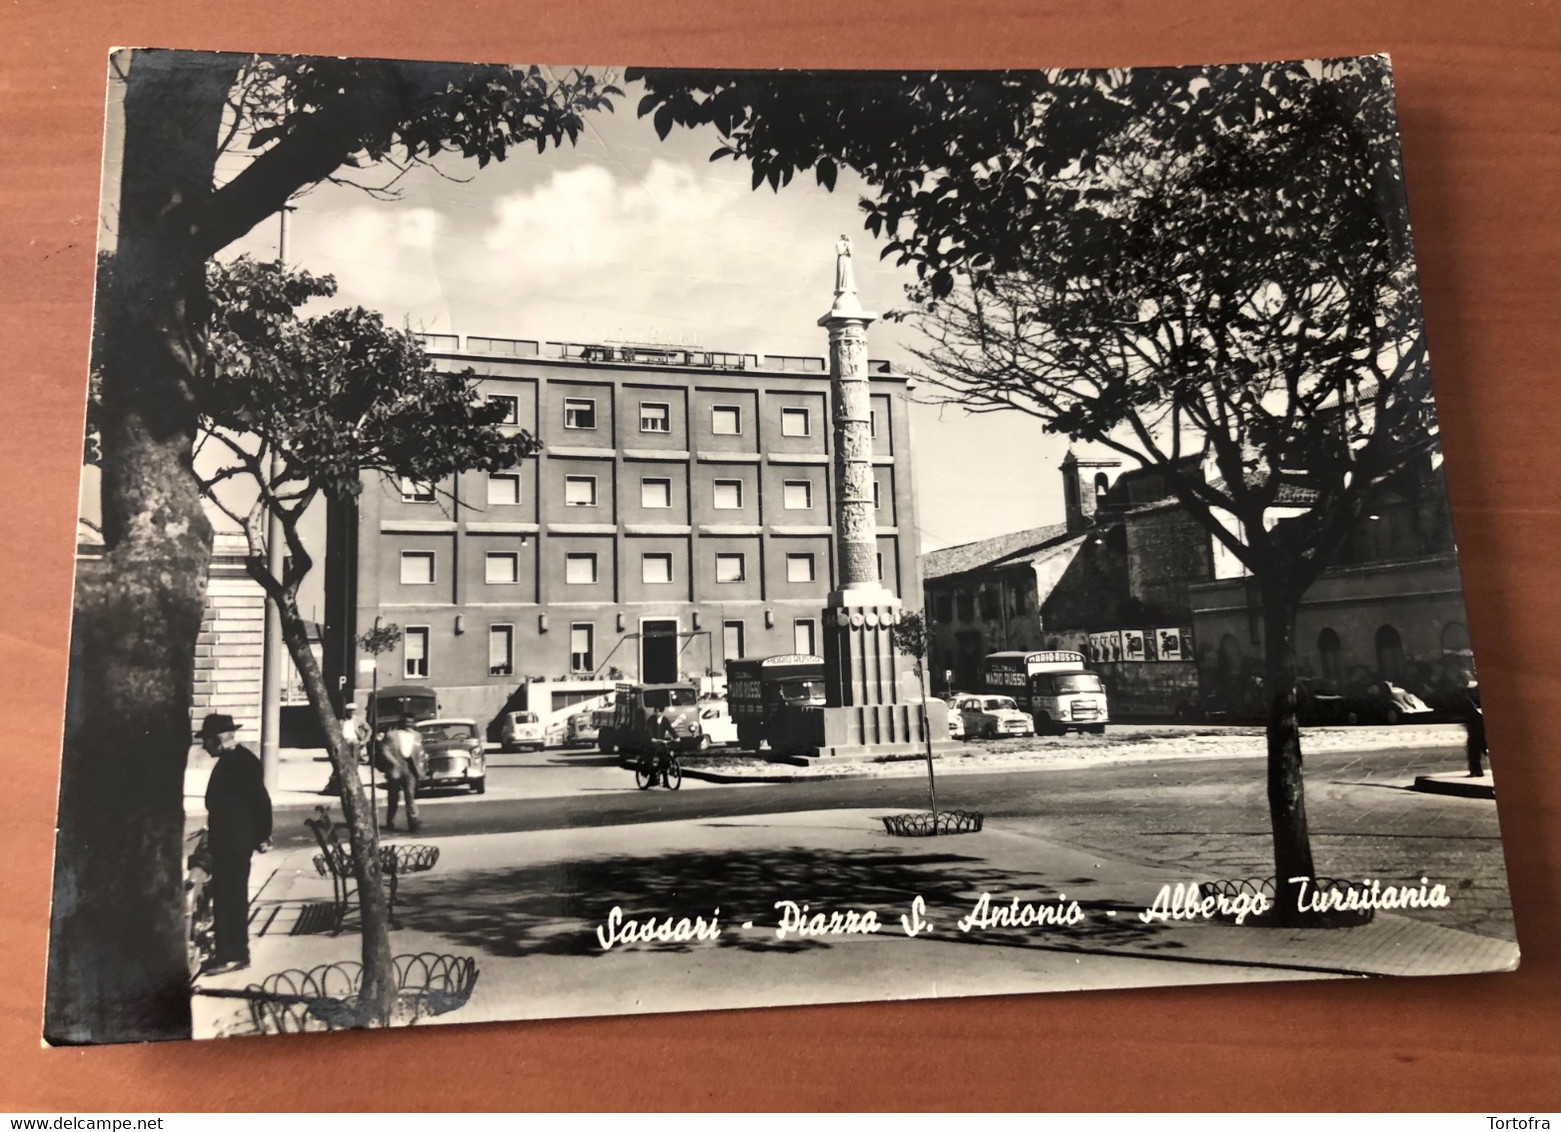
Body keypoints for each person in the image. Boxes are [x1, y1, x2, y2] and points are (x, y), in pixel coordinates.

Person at [199, 713, 271, 975]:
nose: (203, 747)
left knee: (231, 899)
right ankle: (227, 953)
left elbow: (260, 801)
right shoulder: (234, 760)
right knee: (226, 898)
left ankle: (235, 955)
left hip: (234, 844)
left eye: (206, 741)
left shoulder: (241, 763)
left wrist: (261, 835)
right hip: (229, 843)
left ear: (218, 740)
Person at [376, 717, 423, 832]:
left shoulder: (417, 736)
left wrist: (420, 769)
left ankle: (413, 821)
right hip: (396, 767)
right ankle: (390, 821)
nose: (408, 725)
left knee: (410, 795)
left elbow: (420, 752)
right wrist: (393, 762)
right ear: (401, 723)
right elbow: (384, 749)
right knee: (393, 796)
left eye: (411, 723)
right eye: (406, 723)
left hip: (410, 767)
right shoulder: (392, 735)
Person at [323, 703, 372, 794]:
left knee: (354, 764)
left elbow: (369, 730)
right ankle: (334, 786)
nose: (351, 713)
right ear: (346, 712)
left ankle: (353, 786)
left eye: (353, 711)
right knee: (341, 764)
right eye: (349, 711)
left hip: (355, 743)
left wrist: (364, 741)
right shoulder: (341, 721)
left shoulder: (359, 720)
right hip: (344, 743)